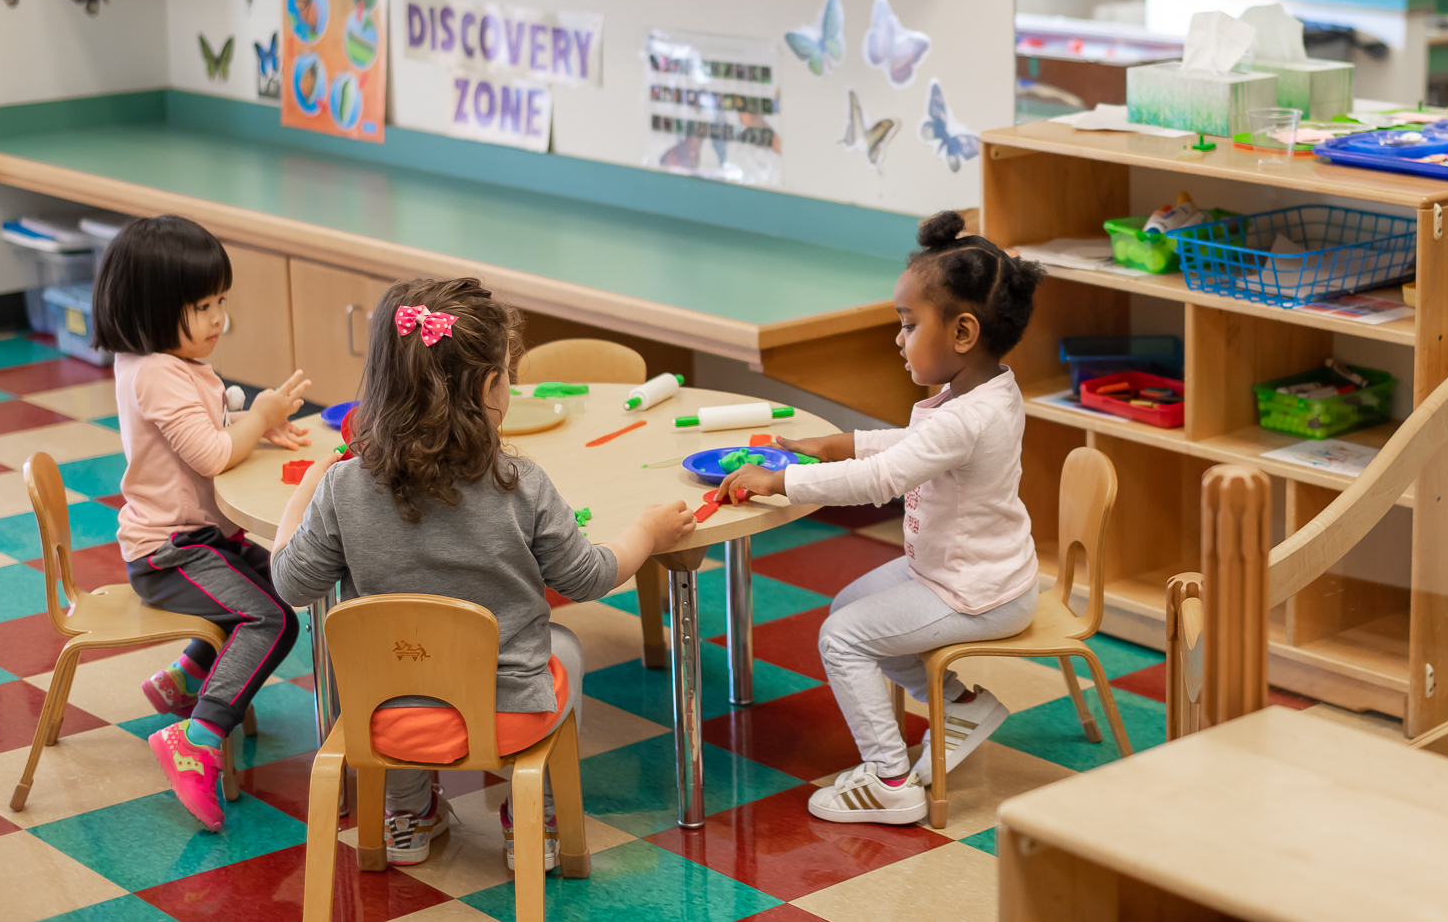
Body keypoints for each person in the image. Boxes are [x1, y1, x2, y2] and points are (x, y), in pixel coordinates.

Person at [270, 277, 694, 870]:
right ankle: (533, 824)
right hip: (507, 717)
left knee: (397, 653)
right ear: (492, 388)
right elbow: (587, 578)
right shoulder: (521, 485)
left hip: (384, 717)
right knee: (564, 646)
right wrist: (645, 534)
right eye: (506, 377)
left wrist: (306, 493)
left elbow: (291, 584)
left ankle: (408, 816)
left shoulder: (345, 487)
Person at [716, 211, 1046, 826]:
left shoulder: (966, 416)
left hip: (977, 591)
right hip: (969, 574)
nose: (898, 337)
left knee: (842, 639)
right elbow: (911, 444)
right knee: (848, 612)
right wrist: (848, 442)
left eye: (908, 322)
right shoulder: (981, 392)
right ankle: (958, 705)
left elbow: (883, 480)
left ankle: (891, 780)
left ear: (964, 332)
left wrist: (781, 480)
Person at [93, 215, 312, 831]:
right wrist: (256, 415)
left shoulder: (159, 359)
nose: (219, 319)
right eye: (203, 306)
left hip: (196, 540)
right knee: (271, 617)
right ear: (153, 308)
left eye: (222, 301)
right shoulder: (158, 371)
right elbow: (212, 454)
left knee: (281, 582)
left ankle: (188, 675)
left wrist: (254, 420)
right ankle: (199, 734)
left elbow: (207, 420)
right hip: (172, 552)